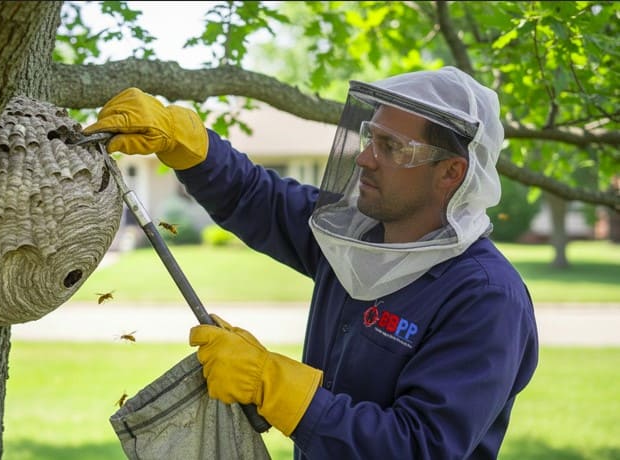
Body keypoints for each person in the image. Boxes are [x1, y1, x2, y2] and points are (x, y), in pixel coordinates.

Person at [83, 66, 539, 459]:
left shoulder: (486, 297)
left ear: (450, 172)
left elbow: (420, 447)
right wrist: (190, 143)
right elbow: (256, 198)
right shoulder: (352, 236)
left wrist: (273, 386)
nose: (364, 158)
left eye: (392, 147)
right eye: (369, 138)